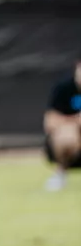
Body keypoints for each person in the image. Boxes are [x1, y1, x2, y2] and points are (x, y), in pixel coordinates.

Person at [44, 55, 81, 192]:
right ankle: (60, 174)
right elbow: (50, 122)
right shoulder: (64, 89)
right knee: (66, 136)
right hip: (72, 138)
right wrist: (76, 121)